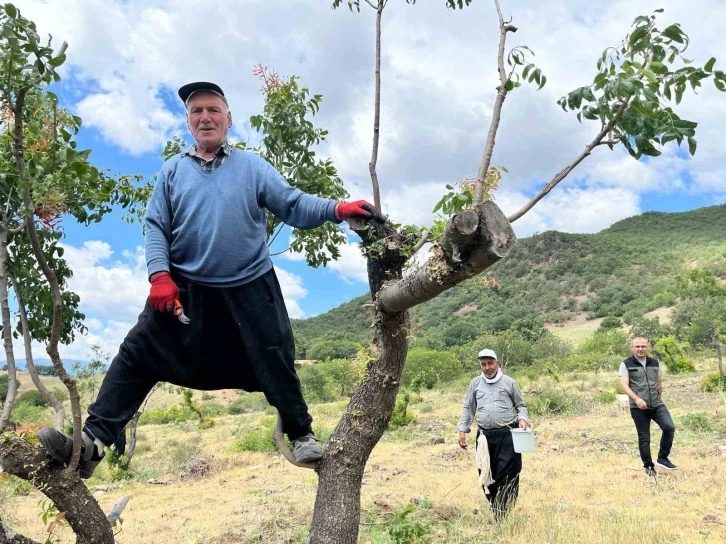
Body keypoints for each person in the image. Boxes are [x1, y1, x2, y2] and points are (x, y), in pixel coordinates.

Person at [38, 81, 381, 478]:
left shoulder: (251, 167)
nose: (205, 117)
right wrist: (159, 276)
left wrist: (337, 208)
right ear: (188, 122)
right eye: (196, 111)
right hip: (184, 288)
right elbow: (155, 228)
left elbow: (293, 203)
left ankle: (301, 434)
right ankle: (91, 445)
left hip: (250, 284)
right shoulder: (172, 171)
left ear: (228, 119)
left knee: (275, 353)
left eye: (213, 110)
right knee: (137, 353)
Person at [457, 349, 530, 522]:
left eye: (490, 363)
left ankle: (502, 512)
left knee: (509, 473)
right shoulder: (475, 384)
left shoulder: (509, 383)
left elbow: (521, 406)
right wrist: (462, 429)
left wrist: (522, 419)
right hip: (484, 437)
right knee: (487, 474)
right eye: (483, 364)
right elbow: (468, 408)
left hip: (508, 435)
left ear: (498, 363)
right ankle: (496, 506)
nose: (487, 367)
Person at [619, 337, 676, 477]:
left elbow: (658, 382)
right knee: (644, 437)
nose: (640, 349)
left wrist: (659, 396)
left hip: (657, 404)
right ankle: (648, 467)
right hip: (638, 407)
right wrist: (637, 399)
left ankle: (663, 458)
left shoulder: (654, 363)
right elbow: (624, 385)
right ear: (632, 348)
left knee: (669, 427)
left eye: (643, 346)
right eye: (637, 346)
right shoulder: (626, 364)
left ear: (647, 347)